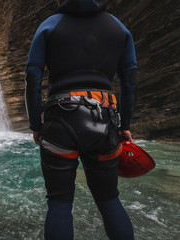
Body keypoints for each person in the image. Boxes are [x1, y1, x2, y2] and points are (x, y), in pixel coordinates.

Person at [25, 0, 136, 239]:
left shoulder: (49, 25)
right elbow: (129, 82)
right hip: (105, 121)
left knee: (59, 203)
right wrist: (125, 125)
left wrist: (36, 124)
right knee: (109, 199)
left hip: (60, 121)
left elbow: (32, 78)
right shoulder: (119, 28)